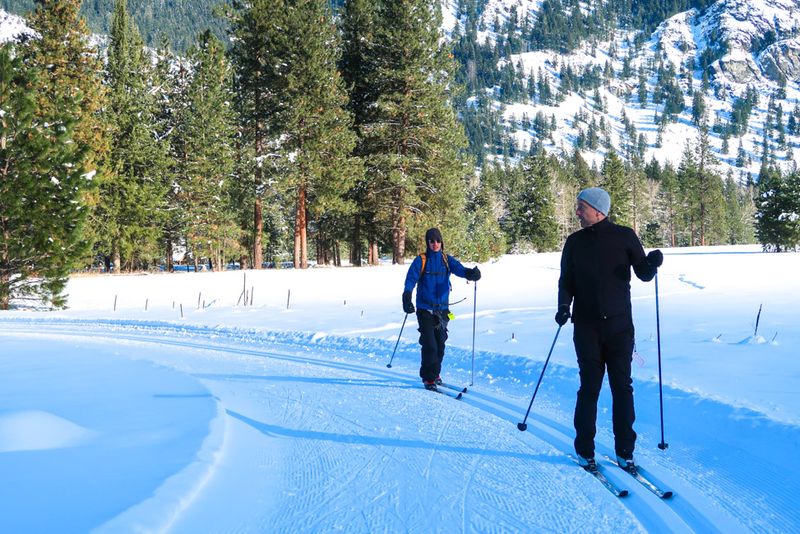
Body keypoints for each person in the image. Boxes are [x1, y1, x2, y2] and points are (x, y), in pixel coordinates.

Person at [556, 187, 663, 474]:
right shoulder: (574, 243)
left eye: (581, 206)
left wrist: (652, 263)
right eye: (577, 206)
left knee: (622, 389)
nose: (577, 211)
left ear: (598, 210)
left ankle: (625, 451)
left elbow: (643, 273)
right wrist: (564, 306)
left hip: (619, 328)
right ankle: (584, 450)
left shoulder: (624, 236)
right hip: (587, 328)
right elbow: (566, 280)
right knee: (589, 389)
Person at [402, 228, 481, 391]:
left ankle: (435, 373)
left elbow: (459, 269)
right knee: (429, 344)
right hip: (425, 309)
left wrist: (470, 274)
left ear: (441, 242)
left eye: (437, 240)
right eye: (431, 241)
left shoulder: (446, 259)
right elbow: (411, 279)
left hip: (443, 311)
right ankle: (429, 377)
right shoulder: (421, 260)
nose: (435, 244)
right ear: (427, 243)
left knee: (440, 344)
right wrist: (407, 295)